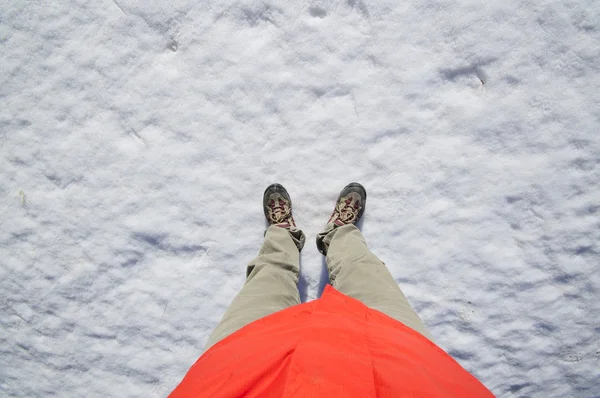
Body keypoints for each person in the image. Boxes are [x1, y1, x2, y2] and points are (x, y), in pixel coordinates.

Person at [169, 183, 494, 397]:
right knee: (364, 274)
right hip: (402, 369)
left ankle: (284, 236)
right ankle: (341, 234)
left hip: (241, 372)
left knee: (268, 277)